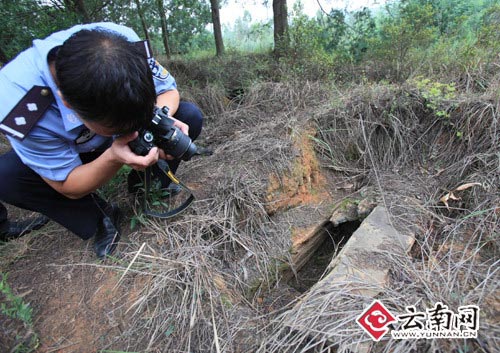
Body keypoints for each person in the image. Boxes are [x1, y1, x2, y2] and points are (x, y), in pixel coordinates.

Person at [0, 23, 203, 258]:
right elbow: (67, 184)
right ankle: (100, 216)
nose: (131, 131)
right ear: (68, 103)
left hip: (108, 133)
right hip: (70, 151)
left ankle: (146, 185)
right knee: (6, 177)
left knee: (188, 116)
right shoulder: (16, 103)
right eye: (119, 127)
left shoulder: (123, 44)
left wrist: (157, 119)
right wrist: (113, 157)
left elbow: (169, 92)